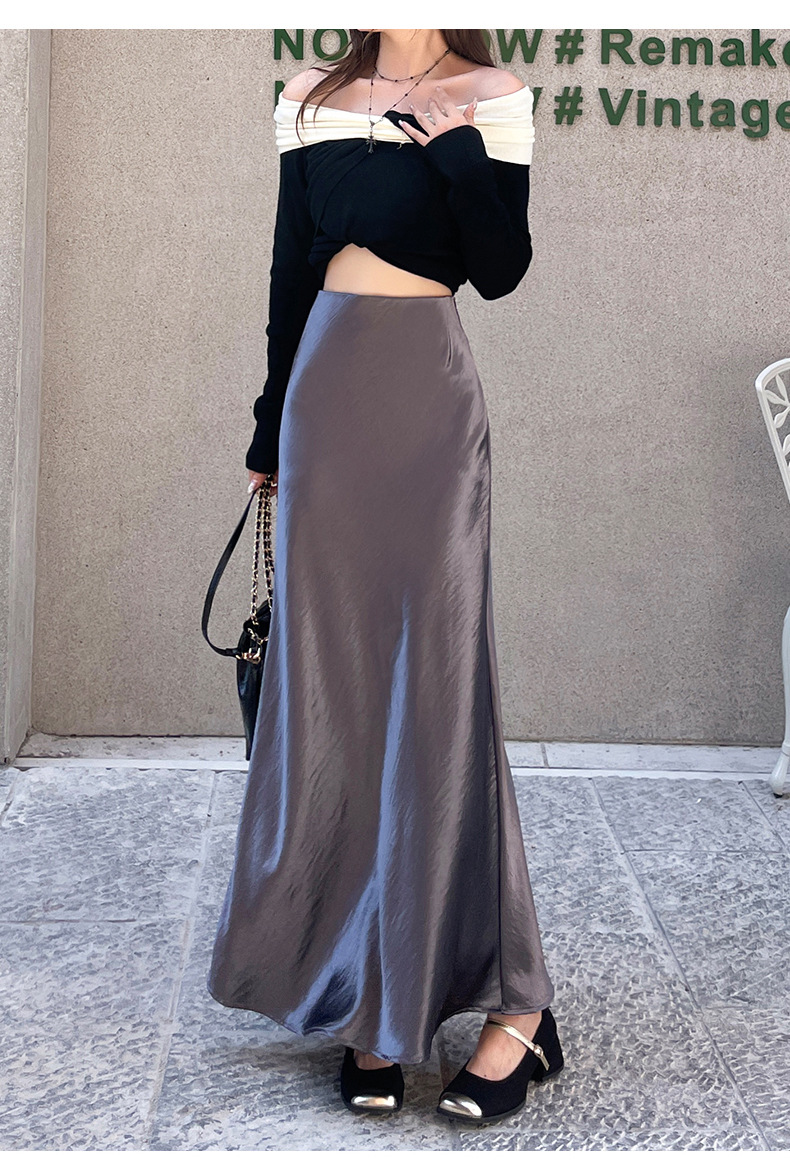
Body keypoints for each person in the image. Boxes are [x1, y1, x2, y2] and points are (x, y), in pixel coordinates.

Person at [207, 28, 564, 1127]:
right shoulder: (311, 94)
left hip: (428, 411)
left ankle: (519, 1005)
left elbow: (501, 268)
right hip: (326, 402)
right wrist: (270, 425)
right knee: (342, 701)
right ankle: (368, 992)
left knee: (441, 695)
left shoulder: (493, 94)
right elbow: (288, 268)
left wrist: (456, 153)